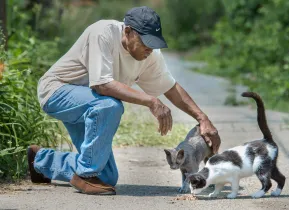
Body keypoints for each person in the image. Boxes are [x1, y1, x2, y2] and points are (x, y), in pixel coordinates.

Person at [27, 6, 221, 195]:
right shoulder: (102, 33)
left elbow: (170, 88)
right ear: (127, 31)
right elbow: (102, 85)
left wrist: (202, 119)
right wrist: (151, 101)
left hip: (89, 105)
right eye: (145, 42)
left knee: (107, 176)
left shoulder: (149, 55)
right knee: (110, 105)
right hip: (56, 91)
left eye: (154, 44)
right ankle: (84, 176)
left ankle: (40, 161)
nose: (150, 49)